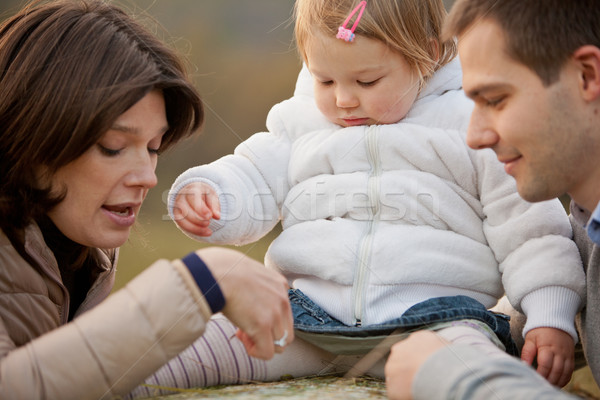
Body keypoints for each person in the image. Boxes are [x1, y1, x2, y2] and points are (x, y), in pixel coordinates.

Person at [141, 0, 584, 396]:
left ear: (427, 56)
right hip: (306, 319)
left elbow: (528, 226)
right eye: (325, 79)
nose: (344, 99)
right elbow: (253, 170)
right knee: (178, 353)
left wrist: (549, 311)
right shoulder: (302, 125)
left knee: (474, 373)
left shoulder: (469, 124)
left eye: (367, 80)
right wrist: (212, 195)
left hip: (439, 323)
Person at [0, 1, 294, 399]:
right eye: (113, 146)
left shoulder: (87, 253)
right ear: (32, 137)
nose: (148, 177)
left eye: (153, 147)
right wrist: (198, 283)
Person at [384, 0, 600, 399]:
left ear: (586, 75)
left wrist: (450, 377)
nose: (475, 136)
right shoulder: (585, 243)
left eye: (496, 100)